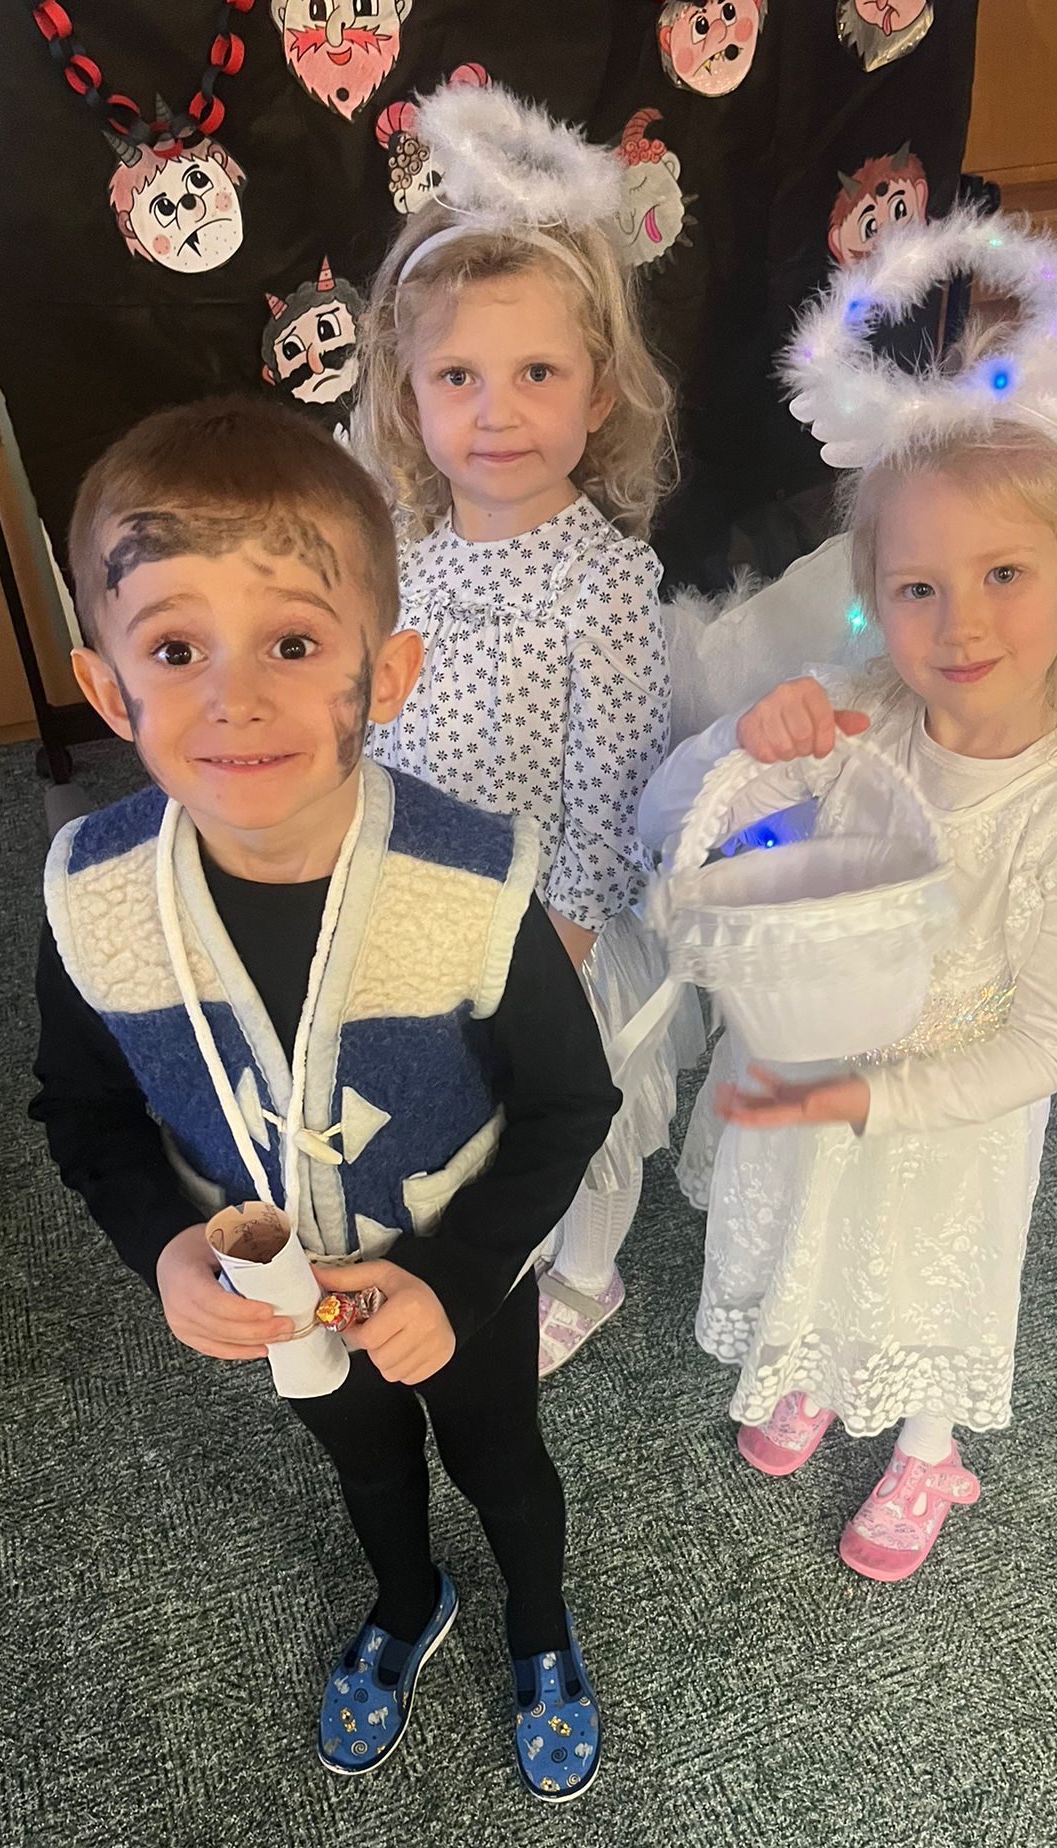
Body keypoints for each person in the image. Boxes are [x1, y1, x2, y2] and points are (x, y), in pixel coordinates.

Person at [640, 212, 1057, 1584]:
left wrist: (868, 1099)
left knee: (918, 1271)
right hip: (816, 1061)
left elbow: (1045, 1045)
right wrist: (753, 747)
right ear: (873, 596)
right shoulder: (858, 715)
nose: (963, 624)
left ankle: (930, 1444)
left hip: (946, 1118)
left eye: (1005, 575)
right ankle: (812, 1365)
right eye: (919, 588)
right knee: (819, 1237)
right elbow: (705, 837)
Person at [30, 395, 619, 1800]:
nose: (234, 698)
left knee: (500, 1459)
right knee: (364, 1461)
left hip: (456, 1267)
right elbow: (84, 1113)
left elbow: (570, 1103)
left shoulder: (471, 881)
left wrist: (456, 1281)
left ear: (387, 672)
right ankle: (410, 1599)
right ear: (106, 690)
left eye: (293, 644)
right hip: (278, 1288)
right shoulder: (94, 898)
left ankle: (540, 1624)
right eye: (175, 648)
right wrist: (162, 1252)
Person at [357, 81, 693, 1375]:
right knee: (463, 1098)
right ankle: (480, 1229)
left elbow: (617, 778)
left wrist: (569, 936)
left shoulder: (605, 583)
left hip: (555, 922)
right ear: (412, 397)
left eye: (536, 373)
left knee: (571, 1108)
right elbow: (378, 716)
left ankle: (588, 1272)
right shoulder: (406, 552)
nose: (496, 412)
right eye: (459, 377)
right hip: (427, 888)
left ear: (599, 393)